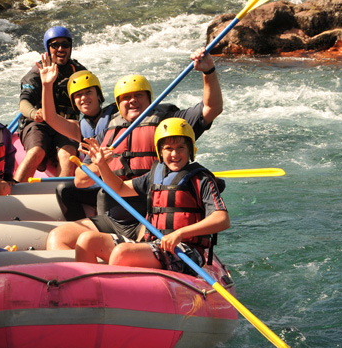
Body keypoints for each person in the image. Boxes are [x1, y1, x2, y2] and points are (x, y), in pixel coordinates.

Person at [46, 47, 222, 250]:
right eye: (125, 98)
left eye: (138, 95)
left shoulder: (169, 123)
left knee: (123, 252)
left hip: (152, 221)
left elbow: (211, 108)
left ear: (149, 99)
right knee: (58, 237)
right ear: (118, 104)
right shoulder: (108, 133)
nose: (132, 101)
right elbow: (80, 180)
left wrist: (208, 71)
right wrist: (100, 164)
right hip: (115, 219)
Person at [73, 119, 229, 274]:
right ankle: (89, 289)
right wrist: (102, 165)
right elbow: (119, 188)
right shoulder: (154, 175)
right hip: (153, 245)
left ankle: (115, 289)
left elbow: (222, 219)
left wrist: (180, 233)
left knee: (122, 253)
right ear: (160, 152)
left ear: (190, 150)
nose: (174, 154)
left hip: (185, 250)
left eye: (181, 148)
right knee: (87, 241)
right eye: (168, 148)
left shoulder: (201, 179)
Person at [39, 63, 118, 220]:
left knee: (104, 195)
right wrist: (47, 85)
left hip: (118, 181)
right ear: (74, 102)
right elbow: (50, 118)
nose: (83, 98)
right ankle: (81, 224)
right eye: (78, 95)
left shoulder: (118, 117)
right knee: (64, 190)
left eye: (88, 92)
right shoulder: (79, 128)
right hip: (96, 184)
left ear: (98, 95)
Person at [14, 26, 87, 182]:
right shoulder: (36, 72)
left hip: (66, 124)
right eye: (55, 45)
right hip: (38, 123)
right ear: (48, 48)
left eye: (65, 45)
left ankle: (61, 192)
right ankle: (12, 193)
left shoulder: (79, 72)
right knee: (36, 152)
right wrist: (34, 113)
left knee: (68, 155)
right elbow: (24, 102)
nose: (60, 49)